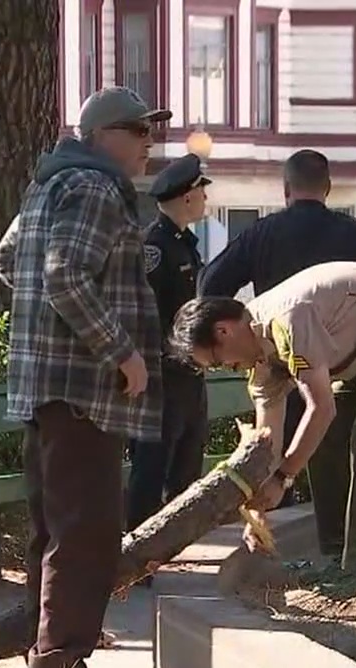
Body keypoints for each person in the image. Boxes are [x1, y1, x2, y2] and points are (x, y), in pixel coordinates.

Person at [0, 86, 169, 668]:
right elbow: (63, 274)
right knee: (86, 533)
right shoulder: (95, 188)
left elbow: (12, 258)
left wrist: (47, 325)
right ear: (98, 135)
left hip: (44, 387)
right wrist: (121, 350)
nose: (150, 143)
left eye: (152, 131)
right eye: (138, 130)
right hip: (84, 392)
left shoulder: (51, 184)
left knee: (55, 531)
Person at [169, 261, 356, 571]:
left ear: (223, 330)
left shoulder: (287, 319)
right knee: (325, 442)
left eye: (216, 362)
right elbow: (267, 442)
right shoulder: (259, 357)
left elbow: (321, 408)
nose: (226, 369)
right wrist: (257, 511)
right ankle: (338, 559)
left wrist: (283, 477)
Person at [199, 150, 356, 507]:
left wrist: (236, 329)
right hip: (342, 362)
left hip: (276, 353)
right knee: (337, 457)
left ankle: (283, 528)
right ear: (328, 188)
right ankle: (340, 551)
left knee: (277, 449)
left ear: (285, 188)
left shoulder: (262, 233)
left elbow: (210, 284)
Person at [126, 154, 212, 552]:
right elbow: (144, 312)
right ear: (186, 197)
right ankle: (139, 549)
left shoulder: (185, 245)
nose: (205, 198)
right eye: (201, 191)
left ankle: (170, 548)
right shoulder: (155, 248)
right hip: (162, 375)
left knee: (186, 463)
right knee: (152, 464)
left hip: (188, 373)